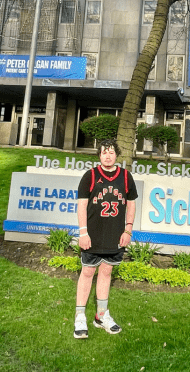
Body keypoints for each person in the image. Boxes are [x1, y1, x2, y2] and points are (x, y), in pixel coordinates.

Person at [74, 139, 138, 339]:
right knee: (87, 271)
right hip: (92, 235)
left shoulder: (126, 177)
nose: (108, 156)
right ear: (99, 155)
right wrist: (83, 233)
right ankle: (80, 317)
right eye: (104, 152)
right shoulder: (90, 176)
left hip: (115, 235)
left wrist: (128, 231)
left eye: (111, 152)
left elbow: (131, 204)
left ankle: (101, 316)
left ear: (116, 155)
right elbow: (82, 206)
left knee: (107, 271)